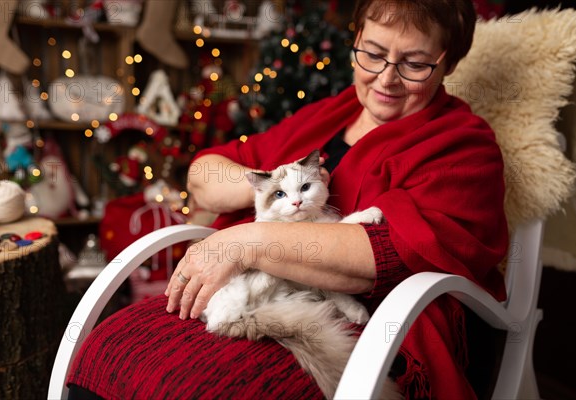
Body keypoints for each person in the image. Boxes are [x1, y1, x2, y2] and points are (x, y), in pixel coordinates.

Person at [67, 1, 508, 399]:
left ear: (448, 61)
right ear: (355, 39)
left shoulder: (465, 146)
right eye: (372, 54)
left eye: (414, 63)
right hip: (250, 295)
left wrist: (246, 242)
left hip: (372, 326)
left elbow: (388, 253)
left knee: (195, 387)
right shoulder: (326, 116)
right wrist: (267, 185)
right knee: (107, 349)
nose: (386, 78)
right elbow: (204, 174)